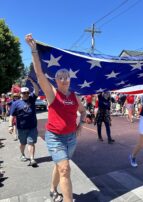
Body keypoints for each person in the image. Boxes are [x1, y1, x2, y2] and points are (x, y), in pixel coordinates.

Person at [25, 34, 86, 202]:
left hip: (71, 137)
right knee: (65, 168)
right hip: (55, 137)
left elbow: (84, 111)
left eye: (66, 77)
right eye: (60, 77)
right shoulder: (52, 94)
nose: (64, 79)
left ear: (70, 79)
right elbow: (39, 73)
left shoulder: (75, 96)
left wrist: (80, 124)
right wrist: (34, 51)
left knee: (60, 166)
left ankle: (53, 189)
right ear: (57, 80)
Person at [9, 78, 39, 167]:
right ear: (20, 94)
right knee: (23, 143)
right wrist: (10, 126)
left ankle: (32, 159)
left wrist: (33, 81)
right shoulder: (16, 103)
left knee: (31, 142)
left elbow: (36, 90)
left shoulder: (32, 99)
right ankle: (22, 154)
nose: (26, 94)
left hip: (32, 127)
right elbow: (11, 116)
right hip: (21, 128)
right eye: (24, 93)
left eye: (27, 93)